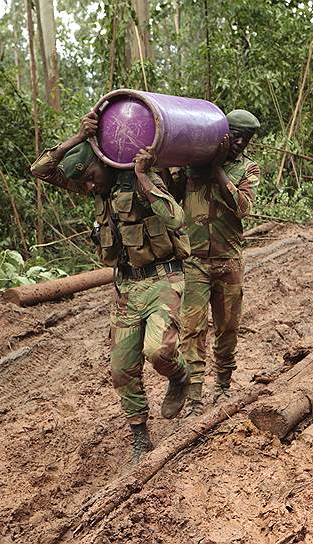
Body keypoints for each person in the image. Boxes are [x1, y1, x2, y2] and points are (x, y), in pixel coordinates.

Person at [30, 112, 192, 464]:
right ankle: (140, 436)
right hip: (126, 288)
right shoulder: (95, 186)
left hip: (164, 278)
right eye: (85, 182)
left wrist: (144, 177)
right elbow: (40, 170)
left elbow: (176, 218)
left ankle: (180, 375)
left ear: (102, 165)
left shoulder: (140, 176)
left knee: (159, 353)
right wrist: (78, 137)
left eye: (90, 178)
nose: (88, 187)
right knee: (121, 369)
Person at [167, 109, 261, 416]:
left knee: (227, 328)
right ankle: (194, 397)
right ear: (221, 132)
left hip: (229, 261)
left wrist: (218, 168)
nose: (239, 143)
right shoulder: (194, 165)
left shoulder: (248, 168)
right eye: (234, 136)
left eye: (245, 139)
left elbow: (242, 207)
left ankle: (223, 386)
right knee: (192, 330)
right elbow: (171, 193)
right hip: (194, 260)